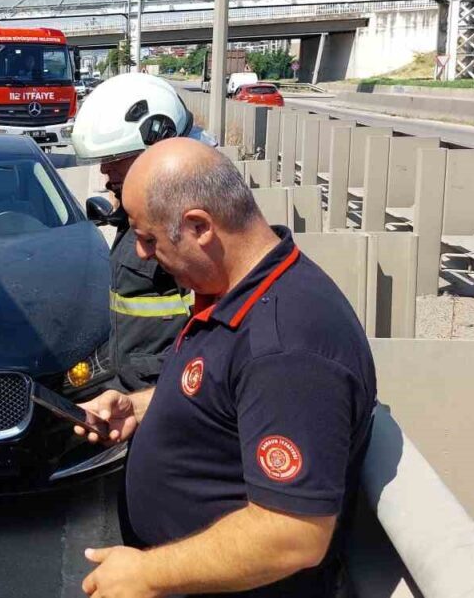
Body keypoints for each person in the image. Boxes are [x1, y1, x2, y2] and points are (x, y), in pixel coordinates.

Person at [75, 138, 377, 598]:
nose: (140, 253)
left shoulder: (285, 347)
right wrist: (143, 406)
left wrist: (148, 574)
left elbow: (292, 535)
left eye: (149, 237)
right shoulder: (243, 292)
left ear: (199, 227)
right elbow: (229, 394)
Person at [72, 73, 211, 392]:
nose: (105, 169)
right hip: (134, 385)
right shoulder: (138, 214)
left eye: (114, 159)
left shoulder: (189, 226)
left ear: (156, 147)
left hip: (167, 392)